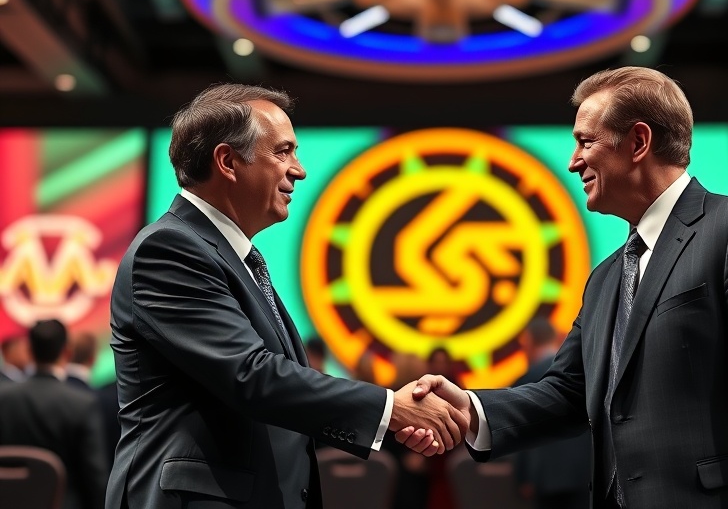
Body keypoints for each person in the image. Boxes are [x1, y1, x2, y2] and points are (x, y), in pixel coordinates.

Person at [401, 66, 728, 508]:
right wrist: (469, 410)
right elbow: (567, 392)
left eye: (586, 141)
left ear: (638, 143)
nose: (572, 161)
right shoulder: (605, 278)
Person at [105, 83, 467, 509]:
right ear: (227, 162)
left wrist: (389, 415)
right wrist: (390, 408)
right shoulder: (169, 249)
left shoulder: (237, 257)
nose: (299, 170)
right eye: (283, 152)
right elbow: (251, 376)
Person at [0, 319, 107, 509]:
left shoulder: (4, 399)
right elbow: (95, 478)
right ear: (67, 351)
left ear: (30, 352)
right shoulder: (81, 404)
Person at [512, 317, 590, 509]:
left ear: (529, 342)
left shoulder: (527, 379)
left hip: (546, 477)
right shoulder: (581, 369)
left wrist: (522, 477)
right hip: (585, 472)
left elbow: (520, 429)